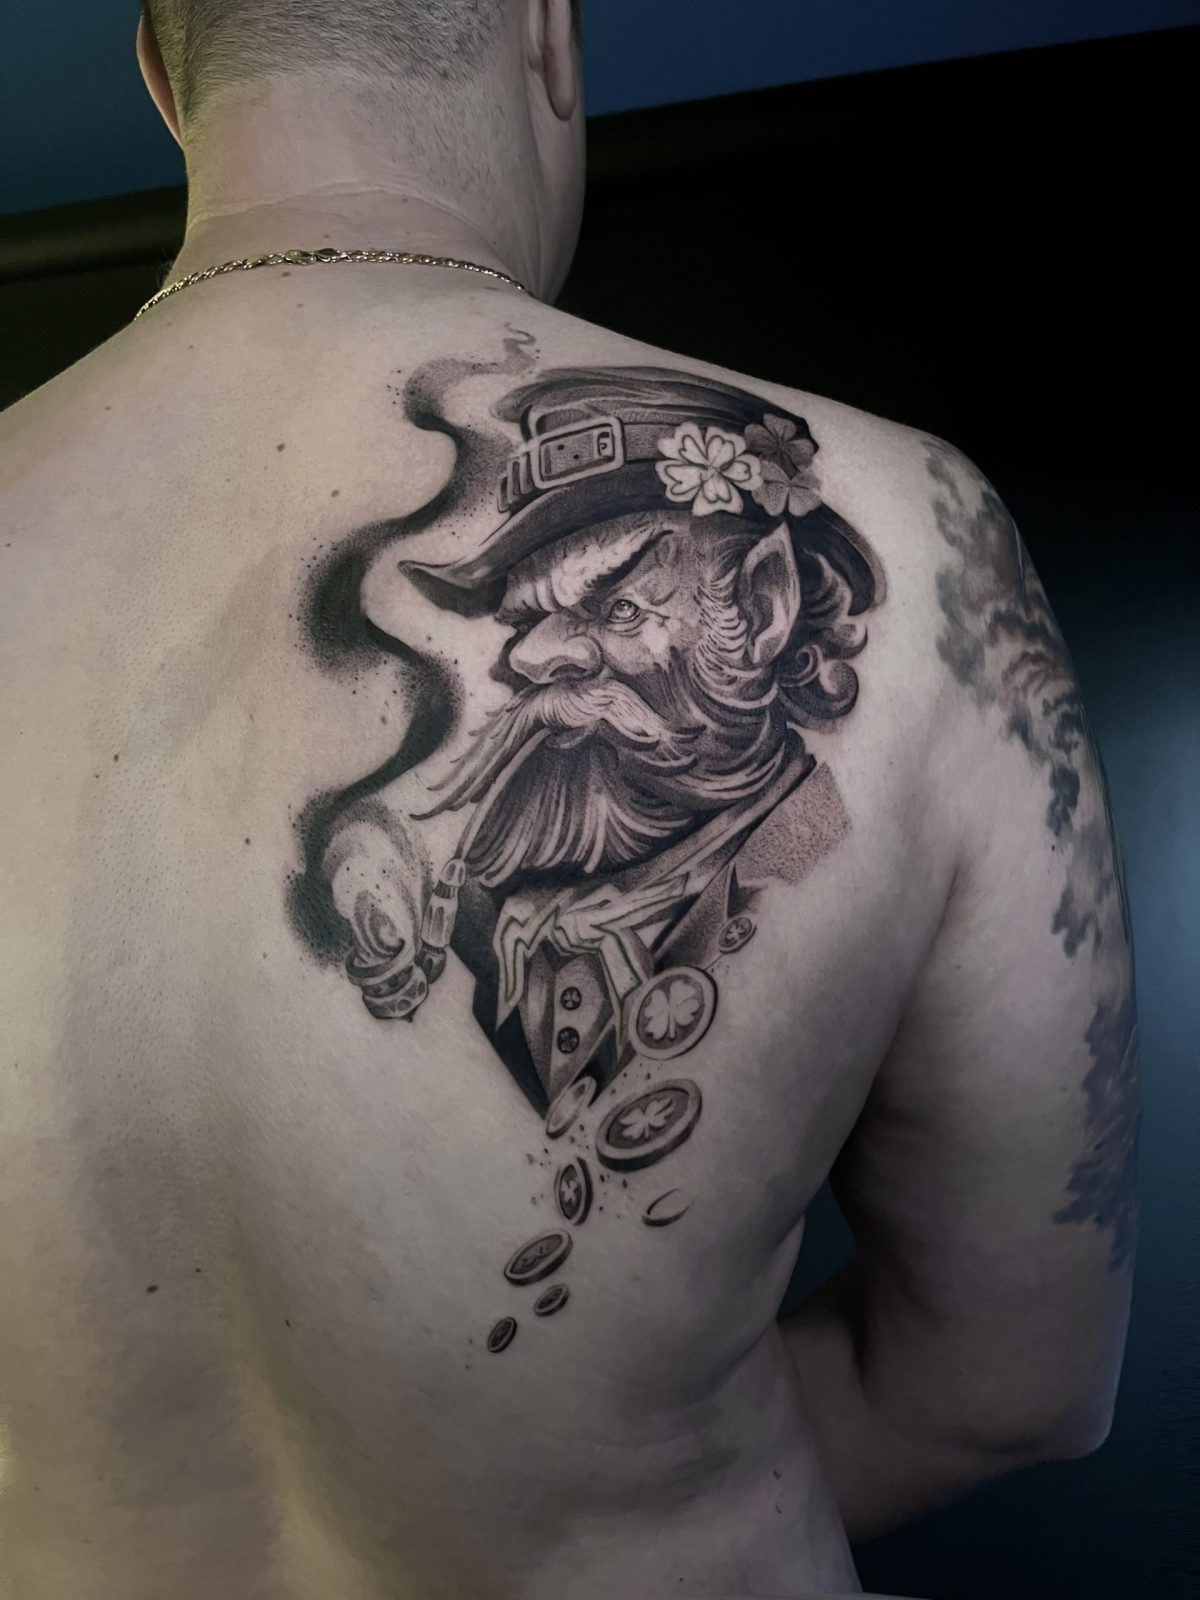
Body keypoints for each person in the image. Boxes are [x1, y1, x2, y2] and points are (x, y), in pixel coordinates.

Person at [0, 3, 1139, 1597]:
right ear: (547, 28)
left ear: (158, 76)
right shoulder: (917, 536)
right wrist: (607, 1499)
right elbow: (1010, 1387)